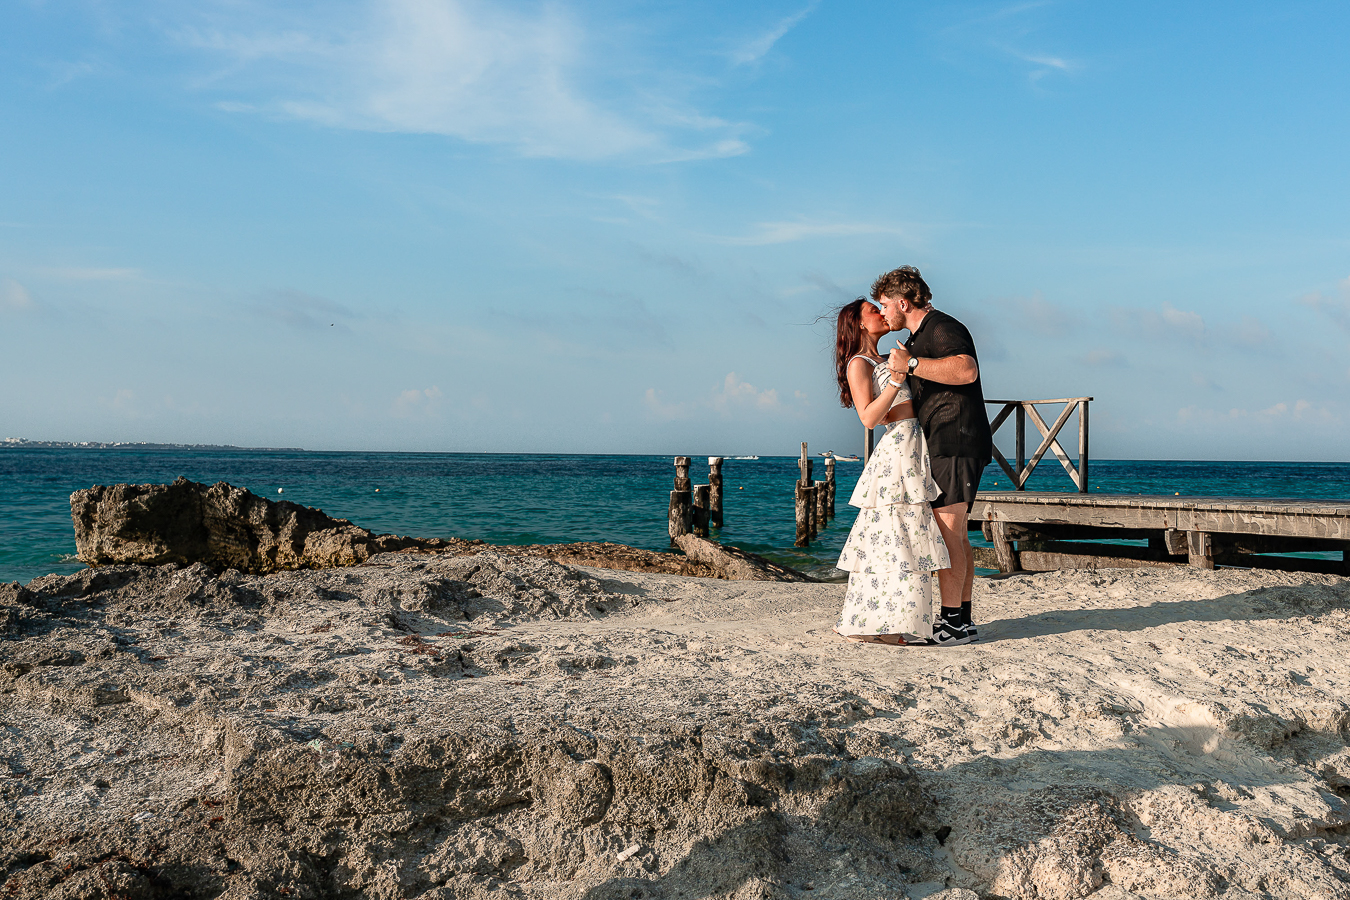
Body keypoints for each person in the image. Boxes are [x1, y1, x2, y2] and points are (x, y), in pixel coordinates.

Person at [872, 266, 992, 644]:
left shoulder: (941, 327)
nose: (882, 312)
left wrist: (908, 364)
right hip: (949, 441)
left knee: (948, 535)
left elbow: (966, 370)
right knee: (956, 535)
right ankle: (963, 619)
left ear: (903, 302)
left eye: (885, 304)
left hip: (955, 441)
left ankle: (953, 623)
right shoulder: (921, 334)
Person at [831, 297, 952, 645]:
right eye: (874, 310)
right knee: (892, 536)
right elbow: (869, 417)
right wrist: (897, 381)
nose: (882, 313)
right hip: (897, 447)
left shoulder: (888, 356)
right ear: (858, 323)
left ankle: (900, 621)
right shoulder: (859, 363)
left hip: (917, 442)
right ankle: (882, 625)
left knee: (908, 536)